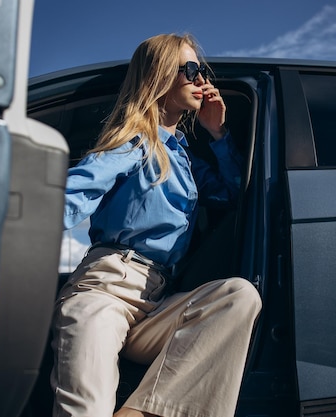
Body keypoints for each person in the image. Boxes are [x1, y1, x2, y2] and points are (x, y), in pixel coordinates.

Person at [51, 33, 262, 417]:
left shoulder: (186, 160)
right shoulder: (135, 142)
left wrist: (218, 134)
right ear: (161, 75)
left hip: (157, 302)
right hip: (106, 290)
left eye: (203, 71)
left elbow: (236, 196)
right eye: (192, 70)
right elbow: (73, 193)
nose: (202, 81)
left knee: (238, 296)